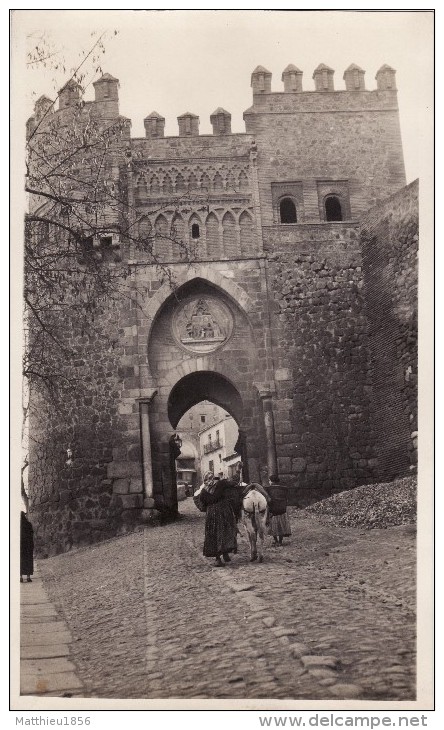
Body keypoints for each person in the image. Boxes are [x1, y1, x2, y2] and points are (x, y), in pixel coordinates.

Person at [199, 472, 237, 567]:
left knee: (219, 533)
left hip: (217, 513)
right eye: (209, 478)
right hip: (218, 513)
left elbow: (202, 506)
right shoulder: (216, 486)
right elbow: (233, 483)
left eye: (211, 478)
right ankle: (221, 556)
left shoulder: (207, 490)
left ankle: (221, 555)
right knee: (220, 533)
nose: (211, 480)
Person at [267, 475, 291, 546]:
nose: (269, 482)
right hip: (282, 509)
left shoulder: (269, 489)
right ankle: (280, 541)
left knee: (273, 526)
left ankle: (276, 541)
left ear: (271, 481)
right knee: (282, 525)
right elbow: (287, 498)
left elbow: (268, 500)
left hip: (273, 510)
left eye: (269, 480)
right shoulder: (284, 488)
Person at [20, 511, 34, 583]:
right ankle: (28, 577)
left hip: (20, 546)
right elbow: (31, 535)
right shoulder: (29, 524)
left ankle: (21, 577)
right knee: (28, 560)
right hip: (28, 545)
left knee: (20, 561)